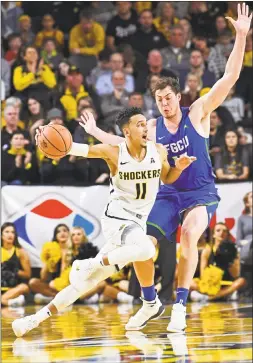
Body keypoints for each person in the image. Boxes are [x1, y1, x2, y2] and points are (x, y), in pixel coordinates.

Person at [78, 4, 252, 332]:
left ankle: (180, 307)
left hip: (200, 192)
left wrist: (240, 36)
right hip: (167, 193)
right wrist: (95, 133)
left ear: (178, 96)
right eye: (159, 99)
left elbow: (230, 77)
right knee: (141, 244)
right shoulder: (153, 128)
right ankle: (149, 301)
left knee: (189, 236)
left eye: (169, 97)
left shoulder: (198, 112)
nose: (164, 103)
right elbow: (120, 144)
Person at [12, 107, 195, 337]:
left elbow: (167, 177)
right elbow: (75, 148)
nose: (145, 128)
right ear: (127, 132)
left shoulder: (158, 151)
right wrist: (44, 136)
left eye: (146, 124)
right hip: (117, 219)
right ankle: (93, 265)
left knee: (86, 283)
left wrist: (178, 167)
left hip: (137, 223)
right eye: (139, 124)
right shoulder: (114, 152)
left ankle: (33, 319)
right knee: (147, 248)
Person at [1, 222, 31, 307]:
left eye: (12, 232)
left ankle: (4, 301)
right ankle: (10, 303)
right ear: (1, 235)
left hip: (13, 289)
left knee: (24, 287)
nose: (10, 235)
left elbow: (28, 274)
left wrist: (15, 271)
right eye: (7, 232)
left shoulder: (21, 252)